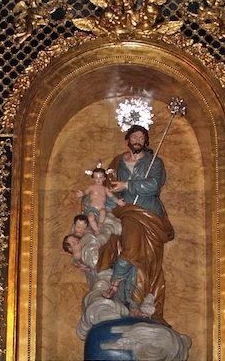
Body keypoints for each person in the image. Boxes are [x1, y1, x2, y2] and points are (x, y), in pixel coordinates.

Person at [96, 125, 175, 322]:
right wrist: (111, 196)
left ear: (145, 141)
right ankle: (117, 287)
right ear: (128, 139)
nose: (137, 140)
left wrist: (127, 185)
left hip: (150, 213)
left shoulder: (154, 161)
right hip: (128, 211)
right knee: (131, 249)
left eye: (141, 137)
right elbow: (108, 185)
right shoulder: (118, 162)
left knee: (147, 260)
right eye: (134, 137)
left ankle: (135, 303)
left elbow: (154, 185)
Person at [75, 164, 125, 234]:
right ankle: (96, 230)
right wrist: (81, 194)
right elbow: (85, 193)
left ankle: (100, 225)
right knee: (90, 217)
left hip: (102, 207)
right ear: (93, 178)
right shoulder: (91, 187)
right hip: (92, 208)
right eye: (96, 177)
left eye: (100, 177)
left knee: (103, 213)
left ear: (104, 178)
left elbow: (111, 196)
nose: (98, 180)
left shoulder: (105, 189)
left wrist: (117, 201)